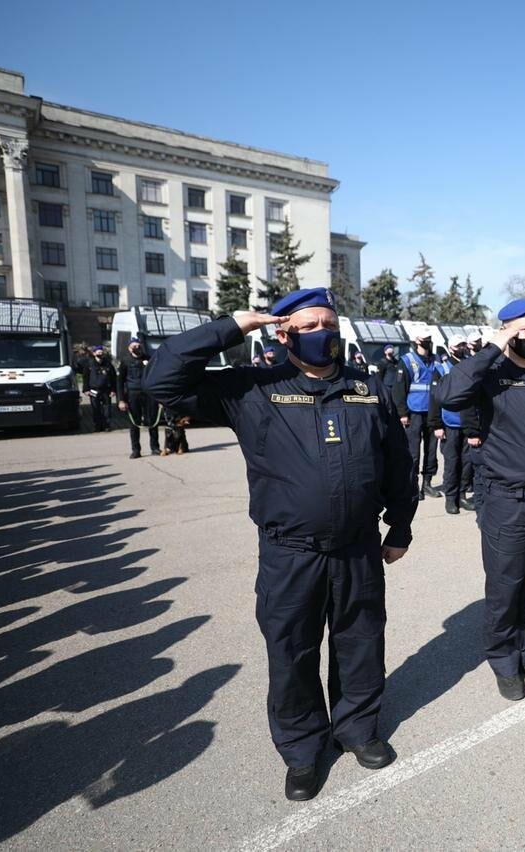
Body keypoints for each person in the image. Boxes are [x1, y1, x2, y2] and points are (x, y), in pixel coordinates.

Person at [145, 287, 418, 802]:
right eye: (310, 325)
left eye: (330, 323)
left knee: (360, 643)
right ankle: (302, 749)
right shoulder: (253, 387)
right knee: (292, 653)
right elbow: (161, 378)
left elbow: (398, 463)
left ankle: (357, 729)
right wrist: (232, 327)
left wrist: (399, 526)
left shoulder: (366, 388)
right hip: (290, 552)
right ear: (284, 333)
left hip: (358, 549)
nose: (324, 333)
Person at [438, 298, 525, 701]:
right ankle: (503, 660)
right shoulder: (489, 375)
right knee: (506, 586)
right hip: (507, 501)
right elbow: (449, 395)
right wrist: (494, 346)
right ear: (508, 331)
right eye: (524, 330)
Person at [429, 335, 475, 514]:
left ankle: (462, 495)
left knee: (467, 462)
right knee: (451, 463)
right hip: (449, 423)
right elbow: (434, 398)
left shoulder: (469, 365)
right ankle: (451, 498)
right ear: (450, 348)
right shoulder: (441, 369)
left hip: (467, 421)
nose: (463, 347)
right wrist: (436, 425)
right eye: (459, 345)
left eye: (464, 344)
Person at [395, 331, 442, 499]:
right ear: (417, 340)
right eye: (425, 340)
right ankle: (413, 485)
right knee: (413, 452)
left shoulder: (437, 360)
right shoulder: (407, 360)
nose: (428, 342)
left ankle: (427, 484)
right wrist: (402, 413)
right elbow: (399, 388)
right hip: (413, 412)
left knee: (431, 451)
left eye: (429, 339)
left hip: (433, 412)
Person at [116, 337, 160, 458]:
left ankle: (155, 447)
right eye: (134, 346)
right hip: (133, 395)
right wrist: (121, 400)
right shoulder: (125, 361)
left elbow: (156, 377)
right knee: (134, 423)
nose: (137, 348)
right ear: (129, 348)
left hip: (149, 394)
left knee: (152, 421)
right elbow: (119, 381)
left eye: (138, 346)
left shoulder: (148, 358)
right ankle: (136, 450)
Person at [82, 345, 118, 432]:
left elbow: (113, 378)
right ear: (94, 353)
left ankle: (107, 426)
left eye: (101, 352)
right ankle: (97, 426)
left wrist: (113, 390)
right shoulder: (89, 364)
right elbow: (85, 377)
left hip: (106, 390)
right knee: (96, 409)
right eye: (98, 352)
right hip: (93, 390)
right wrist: (86, 389)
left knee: (107, 409)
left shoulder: (108, 364)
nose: (100, 354)